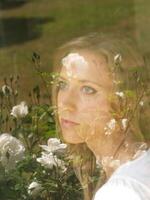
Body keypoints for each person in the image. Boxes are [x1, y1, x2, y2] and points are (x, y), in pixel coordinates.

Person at [52, 33, 150, 200]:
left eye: (88, 89)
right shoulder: (139, 165)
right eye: (63, 84)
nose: (66, 103)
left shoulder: (122, 192)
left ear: (125, 101)